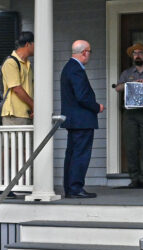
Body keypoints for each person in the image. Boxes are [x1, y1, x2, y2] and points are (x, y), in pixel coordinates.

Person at [61, 40, 104, 198]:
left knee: (72, 154)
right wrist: (96, 106)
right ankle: (75, 188)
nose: (89, 55)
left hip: (74, 120)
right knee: (80, 154)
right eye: (89, 52)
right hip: (81, 120)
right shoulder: (76, 69)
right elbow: (82, 96)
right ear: (84, 52)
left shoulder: (69, 68)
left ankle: (70, 187)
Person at [115, 43, 143, 189]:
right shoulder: (127, 73)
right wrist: (132, 83)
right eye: (135, 53)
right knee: (131, 146)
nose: (138, 55)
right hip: (130, 114)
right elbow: (118, 88)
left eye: (141, 53)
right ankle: (134, 178)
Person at [0, 31, 34, 199]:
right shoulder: (11, 63)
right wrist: (34, 105)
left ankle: (21, 184)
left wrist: (32, 108)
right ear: (28, 44)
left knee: (24, 150)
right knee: (10, 150)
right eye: (35, 44)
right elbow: (17, 88)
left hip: (25, 113)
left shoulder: (27, 64)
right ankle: (3, 185)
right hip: (13, 114)